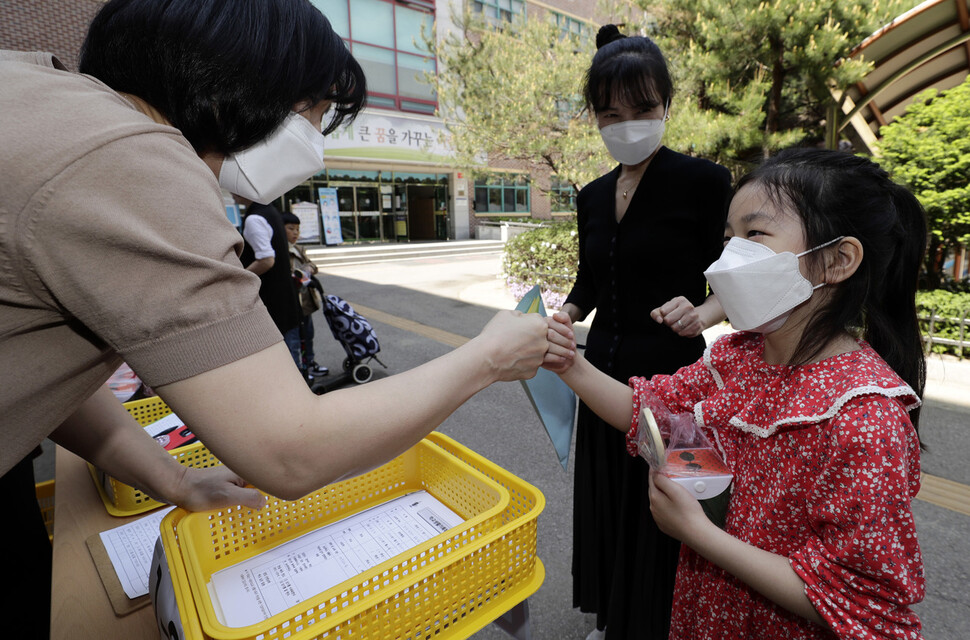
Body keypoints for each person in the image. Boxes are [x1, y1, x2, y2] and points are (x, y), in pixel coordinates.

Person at [0, 1, 570, 635]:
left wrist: (172, 479)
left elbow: (50, 367)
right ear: (242, 84)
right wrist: (488, 358)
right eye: (317, 113)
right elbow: (291, 451)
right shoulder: (128, 160)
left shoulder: (45, 98)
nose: (317, 145)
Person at [545, 148, 927, 639]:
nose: (728, 259)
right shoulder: (739, 356)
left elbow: (859, 600)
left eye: (756, 234)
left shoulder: (864, 417)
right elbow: (652, 414)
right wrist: (570, 364)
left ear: (837, 260)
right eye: (728, 238)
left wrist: (698, 534)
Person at [558, 24, 732, 639]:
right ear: (596, 118)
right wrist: (566, 314)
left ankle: (659, 620)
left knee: (666, 504)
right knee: (608, 497)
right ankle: (612, 615)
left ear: (666, 106)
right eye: (611, 113)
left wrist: (703, 313)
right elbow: (589, 280)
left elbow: (732, 279)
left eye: (642, 109)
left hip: (673, 374)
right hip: (600, 368)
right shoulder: (593, 194)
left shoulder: (704, 182)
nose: (627, 124)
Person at [238, 196, 306, 374]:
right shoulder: (271, 211)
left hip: (271, 299)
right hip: (286, 297)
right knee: (291, 351)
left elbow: (266, 260)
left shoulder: (254, 218)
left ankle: (293, 393)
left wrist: (242, 278)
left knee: (281, 355)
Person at [282, 211, 328, 379]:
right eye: (291, 228)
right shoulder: (280, 250)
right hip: (293, 304)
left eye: (298, 229)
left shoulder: (299, 249)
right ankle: (300, 370)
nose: (295, 233)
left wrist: (309, 268)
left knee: (308, 335)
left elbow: (312, 265)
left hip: (306, 302)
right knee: (295, 339)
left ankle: (310, 363)